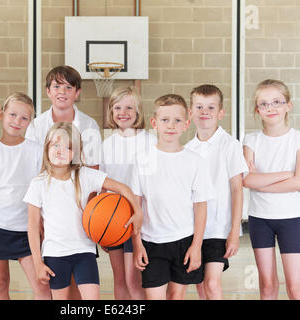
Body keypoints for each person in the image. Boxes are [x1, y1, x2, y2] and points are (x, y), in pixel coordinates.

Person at [24, 122, 143, 300]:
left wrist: (137, 212)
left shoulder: (85, 175)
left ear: (76, 153)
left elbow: (123, 188)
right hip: (55, 254)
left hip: (84, 252)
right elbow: (33, 227)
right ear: (47, 148)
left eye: (68, 147)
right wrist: (37, 262)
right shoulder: (38, 183)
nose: (60, 150)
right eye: (55, 144)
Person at [0, 93, 51, 300]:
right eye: (13, 114)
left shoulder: (37, 152)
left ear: (30, 122)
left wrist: (42, 223)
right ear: (1, 114)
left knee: (42, 286)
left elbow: (43, 192)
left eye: (24, 118)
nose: (17, 121)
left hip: (27, 230)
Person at [131, 94, 210, 300]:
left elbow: (200, 206)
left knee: (177, 295)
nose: (171, 126)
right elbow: (135, 207)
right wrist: (137, 243)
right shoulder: (142, 159)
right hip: (151, 241)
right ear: (154, 123)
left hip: (184, 240)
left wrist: (196, 246)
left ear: (186, 124)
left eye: (177, 120)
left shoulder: (195, 161)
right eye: (165, 120)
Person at [242, 79, 300, 300]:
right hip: (259, 219)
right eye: (263, 104)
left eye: (277, 102)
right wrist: (285, 175)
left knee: (296, 286)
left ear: (288, 105)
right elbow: (247, 181)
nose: (270, 108)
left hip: (289, 218)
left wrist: (261, 182)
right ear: (257, 109)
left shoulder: (299, 139)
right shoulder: (251, 140)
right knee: (268, 285)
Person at [185, 84, 248, 300]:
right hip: (194, 230)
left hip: (219, 229)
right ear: (190, 112)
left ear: (220, 113)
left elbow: (237, 189)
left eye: (211, 107)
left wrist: (234, 231)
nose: (205, 112)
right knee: (201, 284)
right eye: (199, 107)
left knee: (212, 283)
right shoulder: (187, 150)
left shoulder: (230, 145)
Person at [100, 86, 156, 300]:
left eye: (129, 107)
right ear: (111, 111)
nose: (123, 112)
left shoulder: (150, 142)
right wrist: (102, 224)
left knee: (135, 281)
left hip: (140, 220)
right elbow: (103, 187)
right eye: (117, 107)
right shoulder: (106, 144)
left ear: (138, 111)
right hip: (113, 220)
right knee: (120, 279)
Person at [25, 65, 101, 169]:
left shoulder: (89, 124)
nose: (62, 92)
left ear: (77, 93)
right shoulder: (36, 126)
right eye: (56, 87)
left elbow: (93, 166)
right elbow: (30, 164)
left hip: (79, 184)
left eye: (68, 87)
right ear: (48, 91)